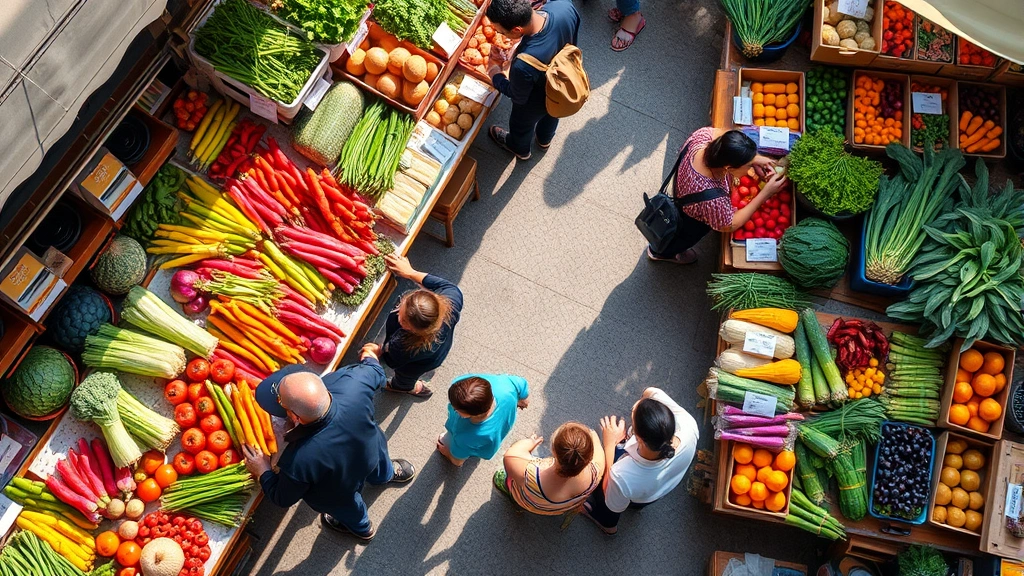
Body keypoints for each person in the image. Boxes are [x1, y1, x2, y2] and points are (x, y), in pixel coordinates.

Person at [244, 344, 416, 541]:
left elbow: (283, 497)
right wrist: (369, 355)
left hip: (337, 486)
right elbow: (375, 370)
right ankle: (385, 475)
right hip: (370, 451)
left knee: (346, 505)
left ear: (295, 417)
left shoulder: (298, 459)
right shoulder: (352, 383)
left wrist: (263, 470)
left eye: (281, 403)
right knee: (379, 463)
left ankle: (362, 528)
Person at [648, 128, 786, 265]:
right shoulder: (713, 199)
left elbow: (723, 135)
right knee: (679, 239)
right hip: (691, 219)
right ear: (728, 167)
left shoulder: (701, 137)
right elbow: (729, 224)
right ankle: (661, 254)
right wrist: (765, 193)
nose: (749, 169)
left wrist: (754, 158)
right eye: (748, 165)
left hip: (683, 189)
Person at [580, 387, 699, 534]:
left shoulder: (622, 475)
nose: (636, 404)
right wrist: (646, 401)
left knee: (605, 494)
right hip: (658, 488)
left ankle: (608, 525)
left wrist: (610, 443)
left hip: (635, 494)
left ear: (640, 440)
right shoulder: (689, 425)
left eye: (632, 415)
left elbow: (608, 487)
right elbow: (651, 391)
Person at [484, 0, 580, 160]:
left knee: (521, 125)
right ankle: (544, 140)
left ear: (516, 29)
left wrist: (495, 72)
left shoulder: (524, 64)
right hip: (560, 86)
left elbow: (517, 96)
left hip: (534, 100)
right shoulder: (563, 6)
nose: (501, 35)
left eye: (502, 32)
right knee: (552, 113)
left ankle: (519, 149)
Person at [367, 254, 463, 399]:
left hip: (415, 365)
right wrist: (411, 272)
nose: (399, 308)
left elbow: (392, 361)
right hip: (440, 350)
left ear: (407, 327)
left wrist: (379, 352)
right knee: (425, 362)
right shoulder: (451, 302)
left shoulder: (402, 346)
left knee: (405, 375)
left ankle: (403, 387)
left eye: (401, 315)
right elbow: (447, 286)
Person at [494, 422, 605, 515]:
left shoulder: (530, 475)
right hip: (558, 509)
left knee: (503, 477)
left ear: (554, 451)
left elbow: (511, 455)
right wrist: (591, 435)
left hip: (528, 501)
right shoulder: (596, 470)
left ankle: (516, 501)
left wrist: (531, 442)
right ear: (590, 457)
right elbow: (595, 439)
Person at [437, 374, 530, 466]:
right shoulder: (503, 385)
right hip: (496, 434)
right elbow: (521, 383)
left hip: (469, 441)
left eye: (456, 409)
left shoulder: (466, 436)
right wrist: (523, 399)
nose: (451, 407)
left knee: (450, 442)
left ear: (467, 414)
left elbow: (458, 462)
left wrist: (448, 453)